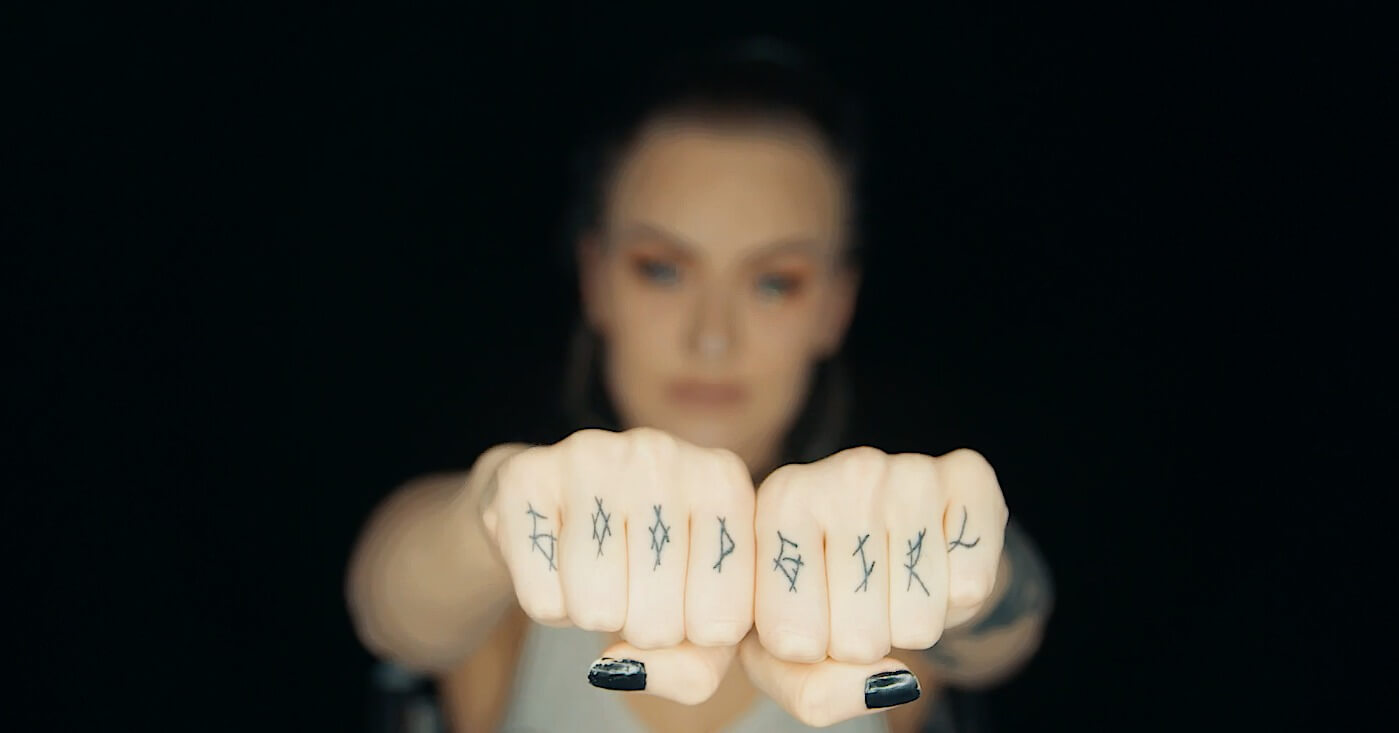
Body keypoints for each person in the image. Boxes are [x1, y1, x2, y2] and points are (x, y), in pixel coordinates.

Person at [346, 37, 1054, 733]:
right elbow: (393, 610)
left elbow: (1002, 634)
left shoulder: (876, 576)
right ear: (596, 278)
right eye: (661, 269)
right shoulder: (521, 573)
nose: (712, 337)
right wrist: (491, 512)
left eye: (775, 282)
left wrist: (964, 558)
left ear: (835, 306)